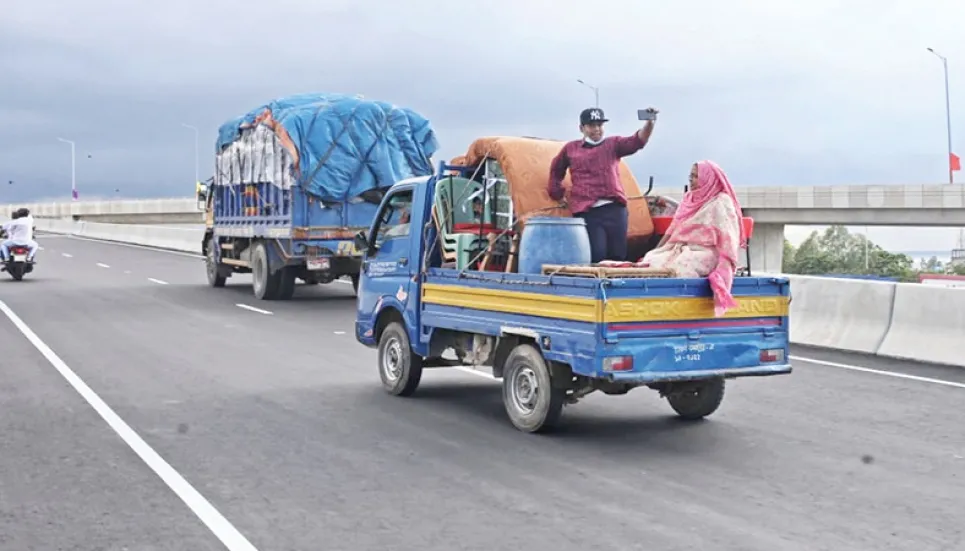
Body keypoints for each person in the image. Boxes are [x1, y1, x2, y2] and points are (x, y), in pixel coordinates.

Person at [547, 106, 657, 263]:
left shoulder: (613, 144)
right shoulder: (570, 149)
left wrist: (650, 122)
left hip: (614, 209)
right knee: (596, 254)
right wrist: (556, 192)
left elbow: (637, 141)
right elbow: (556, 169)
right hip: (588, 212)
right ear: (581, 128)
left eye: (600, 125)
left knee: (618, 255)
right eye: (592, 125)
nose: (597, 129)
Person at [639, 160, 745, 316]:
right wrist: (656, 251)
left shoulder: (721, 201)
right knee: (652, 261)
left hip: (708, 251)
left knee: (682, 266)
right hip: (681, 247)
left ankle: (675, 312)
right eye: (690, 176)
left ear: (708, 178)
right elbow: (673, 229)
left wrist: (725, 266)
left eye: (696, 176)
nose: (691, 180)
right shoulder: (689, 198)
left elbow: (728, 236)